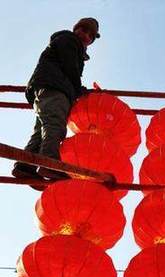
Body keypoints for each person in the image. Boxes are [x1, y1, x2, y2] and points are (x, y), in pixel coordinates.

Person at [12, 17, 100, 182]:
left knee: (42, 130)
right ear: (76, 29)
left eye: (91, 35)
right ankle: (50, 164)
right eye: (84, 30)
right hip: (55, 88)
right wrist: (78, 88)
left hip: (46, 88)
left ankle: (25, 166)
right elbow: (70, 66)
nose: (86, 36)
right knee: (55, 125)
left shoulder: (69, 43)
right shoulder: (69, 40)